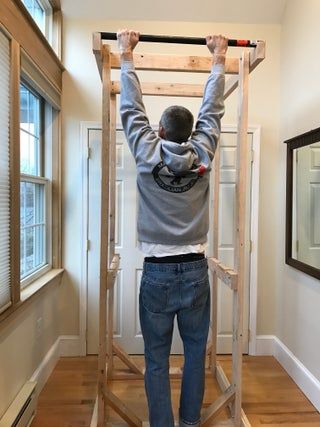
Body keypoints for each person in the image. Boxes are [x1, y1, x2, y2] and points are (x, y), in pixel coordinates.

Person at [117, 29, 228, 427]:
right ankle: (189, 423)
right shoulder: (203, 151)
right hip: (195, 271)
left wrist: (126, 53)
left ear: (160, 132)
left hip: (158, 274)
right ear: (190, 132)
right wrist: (218, 58)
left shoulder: (147, 152)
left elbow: (131, 110)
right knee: (195, 354)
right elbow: (213, 111)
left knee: (157, 359)